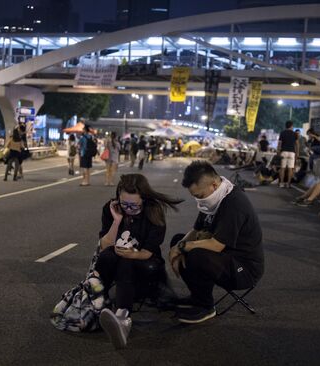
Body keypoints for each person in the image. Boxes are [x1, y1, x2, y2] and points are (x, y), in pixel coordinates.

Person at [169, 161, 264, 324]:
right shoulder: (213, 199)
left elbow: (217, 245)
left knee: (195, 253)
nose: (197, 199)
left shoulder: (233, 203)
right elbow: (195, 230)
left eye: (199, 195)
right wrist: (177, 246)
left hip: (244, 268)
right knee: (178, 239)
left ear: (213, 185)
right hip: (226, 258)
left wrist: (184, 247)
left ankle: (206, 307)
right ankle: (197, 297)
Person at [97, 174, 183, 349]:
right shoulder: (111, 208)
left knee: (125, 262)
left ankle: (122, 317)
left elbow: (147, 252)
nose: (128, 209)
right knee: (106, 257)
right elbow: (105, 245)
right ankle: (98, 300)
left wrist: (132, 254)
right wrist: (117, 220)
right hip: (119, 256)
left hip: (147, 261)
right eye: (124, 204)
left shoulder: (154, 211)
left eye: (134, 205)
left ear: (144, 199)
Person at [277, 121, 299, 188]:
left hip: (284, 152)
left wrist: (278, 151)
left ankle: (281, 183)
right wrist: (297, 153)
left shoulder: (282, 133)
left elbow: (280, 143)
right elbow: (297, 145)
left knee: (282, 168)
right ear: (291, 126)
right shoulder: (295, 134)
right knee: (290, 169)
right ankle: (288, 184)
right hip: (292, 153)